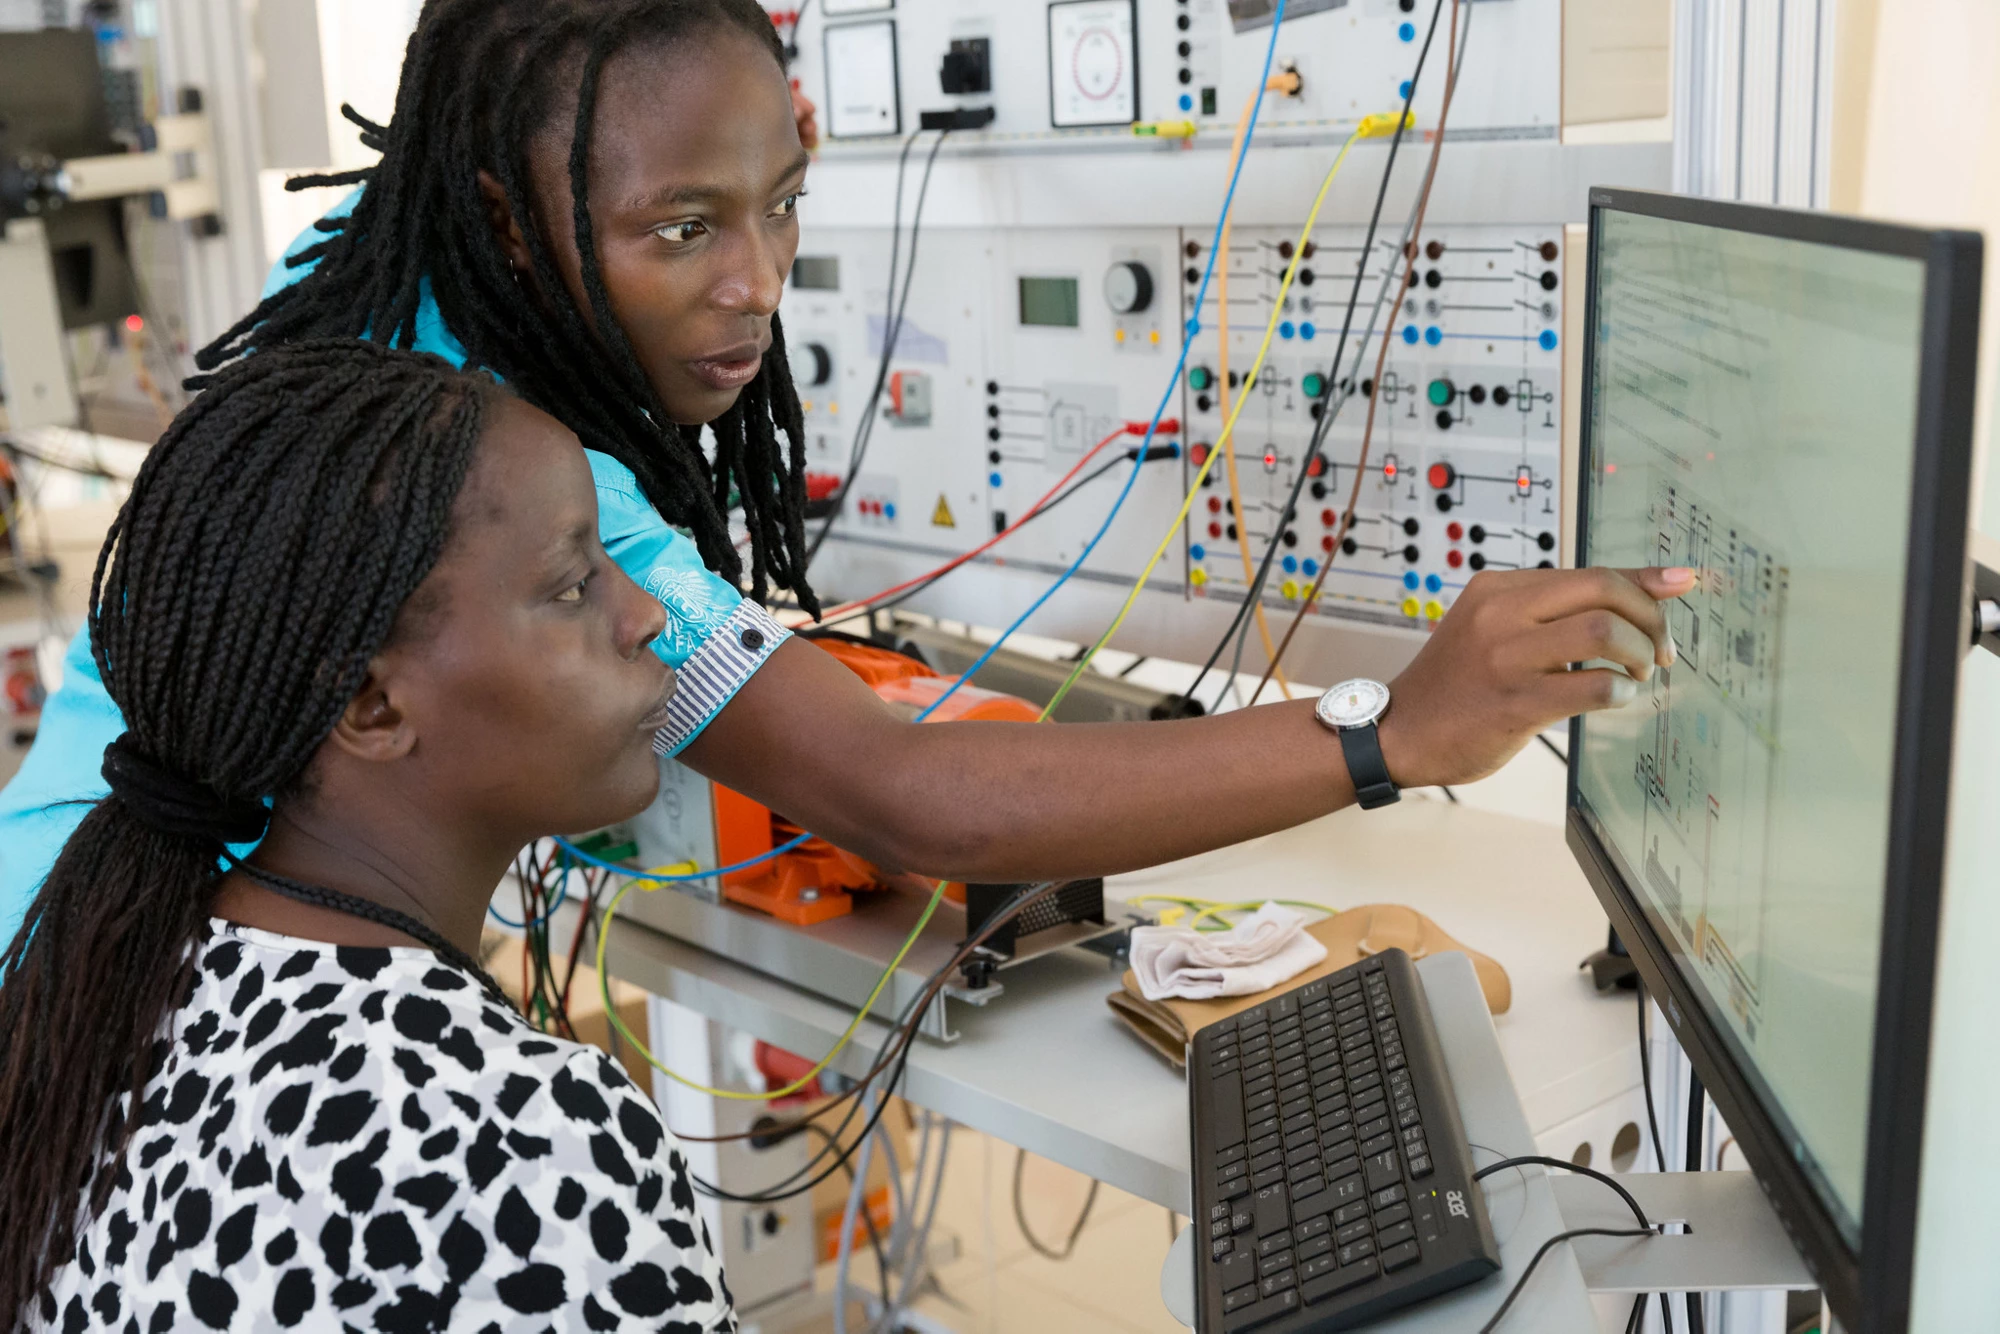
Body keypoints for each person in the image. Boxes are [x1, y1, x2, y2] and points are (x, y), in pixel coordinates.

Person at [0, 0, 1693, 934]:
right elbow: (912, 798)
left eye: (779, 202)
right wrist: (1391, 730)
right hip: (119, 1025)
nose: (756, 280)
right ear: (510, 219)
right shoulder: (489, 476)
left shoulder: (379, 298)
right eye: (682, 227)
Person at [1, 342, 741, 1330]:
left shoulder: (108, 986)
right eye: (571, 586)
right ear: (371, 704)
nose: (645, 614)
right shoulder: (523, 1144)